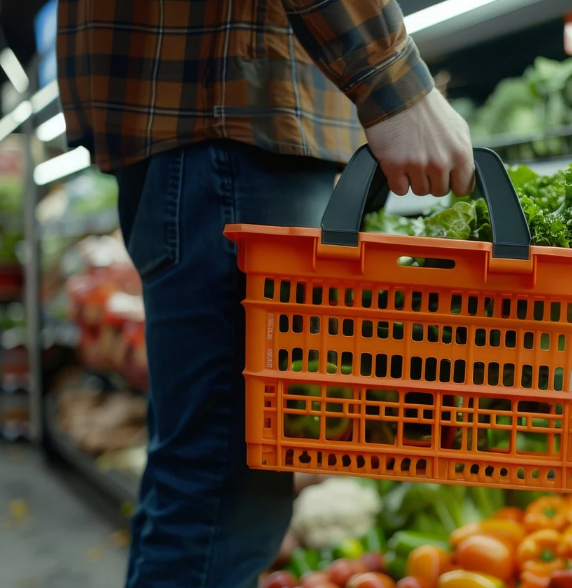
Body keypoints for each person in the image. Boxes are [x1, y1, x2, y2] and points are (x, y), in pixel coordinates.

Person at [56, 1, 474, 586]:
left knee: (201, 480)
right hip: (236, 118)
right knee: (225, 497)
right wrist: (396, 82)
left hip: (209, 125)